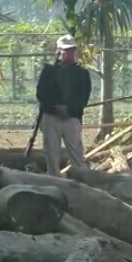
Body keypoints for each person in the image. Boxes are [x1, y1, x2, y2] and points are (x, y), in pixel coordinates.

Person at [36, 35, 92, 176]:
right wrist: (55, 108)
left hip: (72, 117)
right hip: (51, 117)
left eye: (72, 51)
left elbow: (83, 97)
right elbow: (41, 94)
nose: (69, 54)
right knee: (51, 155)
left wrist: (69, 109)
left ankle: (82, 181)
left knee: (77, 156)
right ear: (59, 52)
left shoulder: (82, 74)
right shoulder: (48, 72)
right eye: (66, 51)